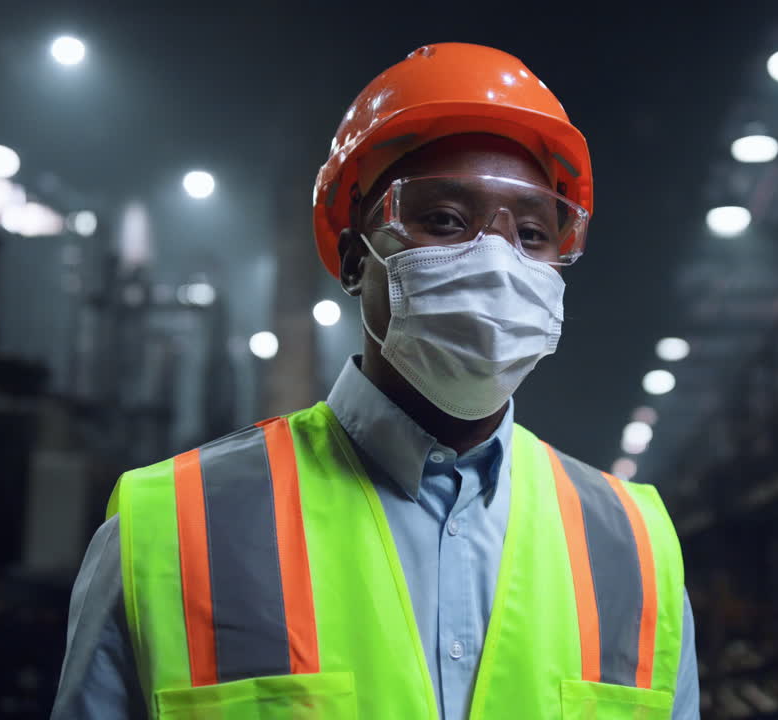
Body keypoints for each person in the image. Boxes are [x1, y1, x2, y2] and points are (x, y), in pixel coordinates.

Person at [52, 42, 699, 720]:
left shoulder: (637, 551)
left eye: (533, 233)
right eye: (446, 220)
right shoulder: (171, 529)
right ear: (354, 254)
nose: (497, 260)